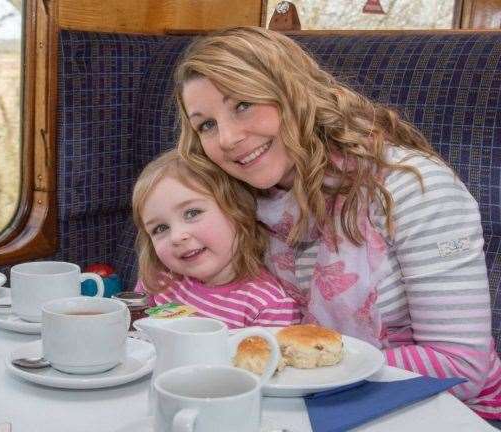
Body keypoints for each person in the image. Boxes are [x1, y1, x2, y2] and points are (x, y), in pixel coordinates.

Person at [172, 26, 501, 418]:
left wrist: (304, 370)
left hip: (448, 410)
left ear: (296, 95)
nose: (225, 138)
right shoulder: (241, 204)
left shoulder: (415, 189)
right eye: (206, 124)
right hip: (300, 404)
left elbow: (463, 366)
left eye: (242, 103)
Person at [132, 149, 301, 329]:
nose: (176, 237)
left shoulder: (270, 307)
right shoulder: (158, 280)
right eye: (160, 228)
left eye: (192, 213)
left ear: (238, 210)